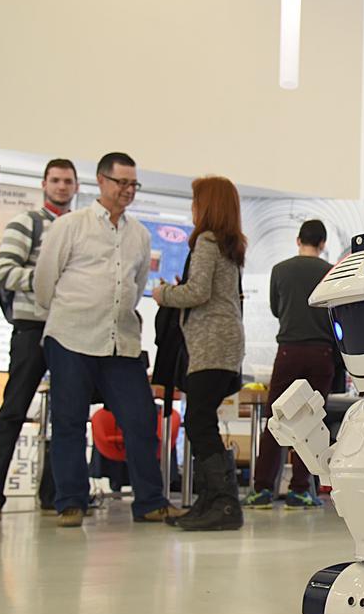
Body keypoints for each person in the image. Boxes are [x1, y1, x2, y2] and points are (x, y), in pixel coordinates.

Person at [33, 152, 185, 528]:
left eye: (134, 184)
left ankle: (150, 500)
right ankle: (70, 501)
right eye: (122, 183)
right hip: (70, 335)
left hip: (121, 341)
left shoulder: (140, 234)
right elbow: (43, 281)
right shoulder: (71, 225)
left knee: (140, 419)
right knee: (68, 421)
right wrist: (72, 310)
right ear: (101, 181)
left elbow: (134, 289)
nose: (128, 191)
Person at [0, 158, 78, 520]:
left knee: (67, 416)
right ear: (44, 184)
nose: (62, 187)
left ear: (77, 186)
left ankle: (56, 494)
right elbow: (4, 272)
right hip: (32, 327)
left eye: (68, 181)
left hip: (69, 332)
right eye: (56, 180)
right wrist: (54, 280)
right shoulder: (27, 223)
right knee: (14, 410)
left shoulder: (81, 228)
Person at [154, 176, 246, 531]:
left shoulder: (207, 241)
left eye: (195, 202)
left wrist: (163, 294)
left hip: (212, 343)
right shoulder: (229, 245)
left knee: (198, 421)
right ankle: (211, 500)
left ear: (207, 206)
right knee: (200, 420)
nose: (192, 209)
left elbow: (197, 292)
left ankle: (223, 504)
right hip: (223, 342)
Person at [248, 219, 334, 509]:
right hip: (322, 353)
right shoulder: (330, 271)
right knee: (311, 422)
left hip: (289, 351)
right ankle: (300, 489)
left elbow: (276, 308)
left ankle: (261, 489)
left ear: (298, 240)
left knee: (277, 420)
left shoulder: (280, 270)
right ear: (322, 244)